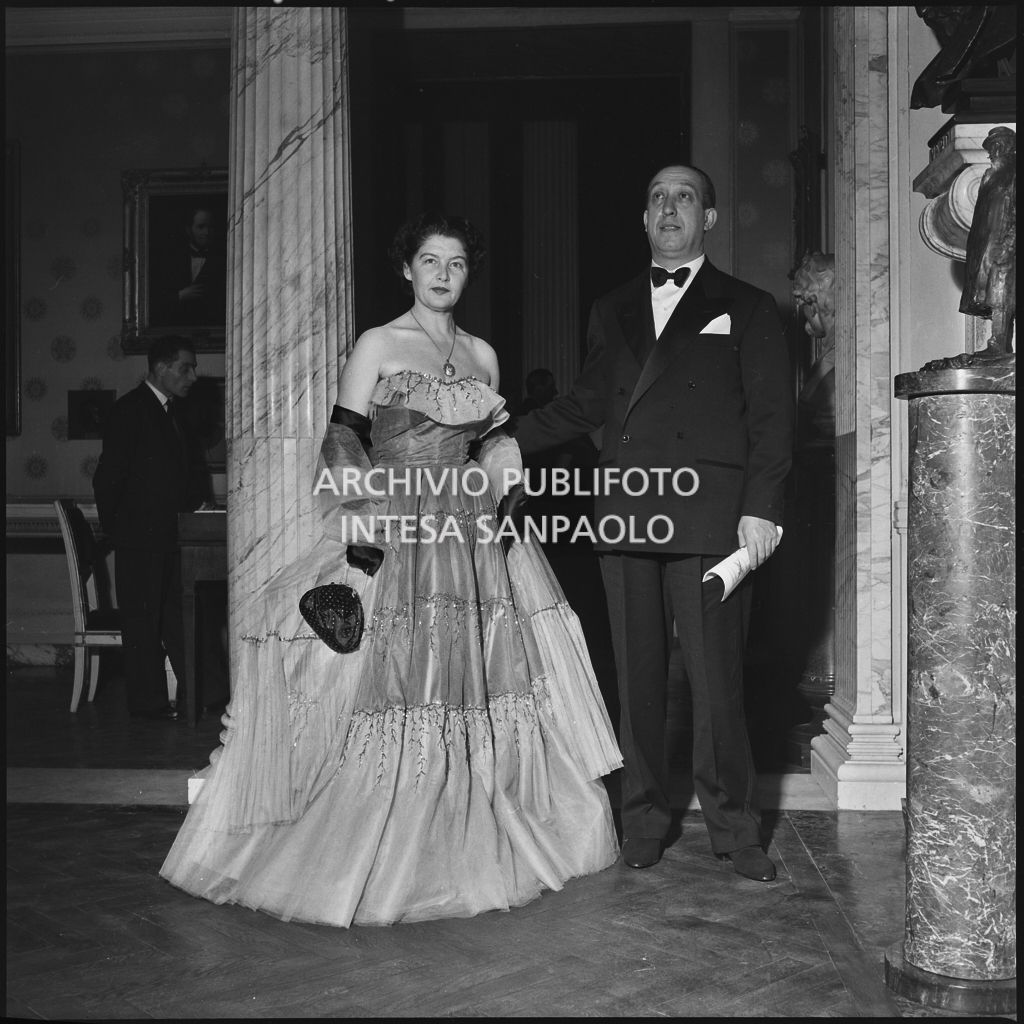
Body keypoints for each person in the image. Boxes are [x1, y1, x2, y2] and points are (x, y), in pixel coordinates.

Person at [159, 212, 622, 927]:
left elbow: (494, 445)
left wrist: (506, 481)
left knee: (475, 678)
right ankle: (384, 842)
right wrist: (365, 521)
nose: (443, 273)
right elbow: (343, 438)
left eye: (457, 262)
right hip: (399, 524)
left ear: (468, 273)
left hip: (470, 533)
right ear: (407, 269)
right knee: (403, 676)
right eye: (430, 260)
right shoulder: (378, 343)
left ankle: (473, 828)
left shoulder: (484, 356)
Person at [513, 165, 794, 880]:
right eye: (658, 198)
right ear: (644, 220)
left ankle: (735, 828)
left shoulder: (751, 306)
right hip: (630, 507)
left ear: (710, 219)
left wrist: (762, 509)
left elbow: (771, 422)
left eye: (686, 197)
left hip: (713, 520)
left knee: (717, 680)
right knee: (635, 678)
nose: (670, 208)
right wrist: (508, 438)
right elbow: (586, 403)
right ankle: (642, 818)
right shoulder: (610, 308)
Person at [93, 335, 211, 720]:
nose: (193, 375)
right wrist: (123, 534)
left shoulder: (174, 412)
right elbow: (107, 479)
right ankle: (148, 707)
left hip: (174, 538)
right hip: (140, 540)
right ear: (160, 368)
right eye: (185, 367)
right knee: (142, 625)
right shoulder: (129, 411)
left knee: (183, 617)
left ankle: (207, 697)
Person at [150, 203, 227, 327]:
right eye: (201, 227)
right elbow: (155, 300)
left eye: (210, 227)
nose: (206, 232)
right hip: (176, 326)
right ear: (189, 230)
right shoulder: (171, 259)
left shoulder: (223, 260)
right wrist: (180, 296)